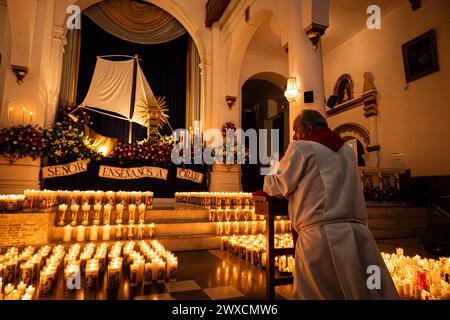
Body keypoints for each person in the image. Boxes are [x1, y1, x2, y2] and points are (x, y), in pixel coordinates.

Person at [263, 109, 399, 300]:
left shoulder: (301, 148)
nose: (294, 136)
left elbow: (277, 186)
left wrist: (272, 169)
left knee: (321, 293)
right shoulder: (348, 151)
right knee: (369, 288)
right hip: (359, 236)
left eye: (295, 130)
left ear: (308, 128)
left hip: (320, 239)